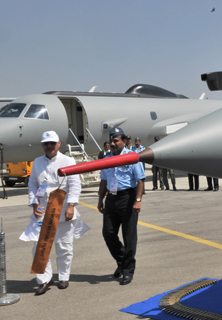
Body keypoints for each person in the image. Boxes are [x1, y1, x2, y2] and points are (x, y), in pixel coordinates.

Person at [20, 131, 90, 295]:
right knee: (39, 246)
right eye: (46, 143)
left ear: (58, 144)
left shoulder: (68, 161)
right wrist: (34, 204)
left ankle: (64, 277)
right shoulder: (37, 162)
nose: (49, 146)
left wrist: (71, 205)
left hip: (63, 209)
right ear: (42, 145)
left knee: (64, 246)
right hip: (43, 211)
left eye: (52, 143)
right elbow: (32, 185)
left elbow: (75, 185)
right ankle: (44, 279)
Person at [97, 126, 145, 285]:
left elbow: (140, 180)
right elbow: (104, 180)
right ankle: (122, 261)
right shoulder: (106, 159)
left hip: (128, 197)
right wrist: (100, 199)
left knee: (129, 236)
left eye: (116, 140)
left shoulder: (132, 157)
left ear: (124, 141)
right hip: (111, 198)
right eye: (111, 141)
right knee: (108, 233)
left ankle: (128, 270)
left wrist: (138, 200)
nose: (112, 143)